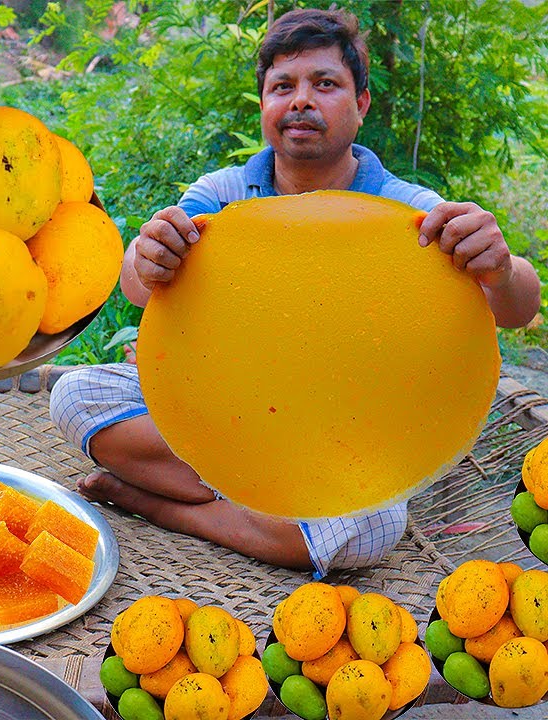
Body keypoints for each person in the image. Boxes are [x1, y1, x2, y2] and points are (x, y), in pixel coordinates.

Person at [49, 8, 542, 577]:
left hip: (346, 444)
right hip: (232, 419)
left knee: (375, 526)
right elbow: (138, 286)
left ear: (361, 106)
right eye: (282, 86)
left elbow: (518, 307)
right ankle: (265, 511)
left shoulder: (412, 212)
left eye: (325, 84)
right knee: (76, 394)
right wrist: (149, 252)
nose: (301, 100)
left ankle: (164, 507)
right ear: (264, 107)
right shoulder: (225, 195)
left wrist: (501, 268)